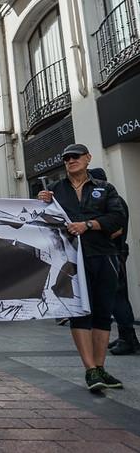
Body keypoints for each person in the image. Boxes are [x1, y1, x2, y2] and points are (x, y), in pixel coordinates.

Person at [38, 144, 127, 391]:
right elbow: (43, 222)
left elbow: (117, 218)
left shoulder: (105, 188)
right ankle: (89, 369)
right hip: (72, 260)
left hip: (104, 256)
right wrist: (41, 203)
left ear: (88, 158)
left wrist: (88, 224)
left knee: (103, 313)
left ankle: (100, 368)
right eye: (66, 158)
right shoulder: (55, 191)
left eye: (75, 156)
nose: (70, 160)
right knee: (79, 312)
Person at [89, 169, 138, 356]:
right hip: (112, 252)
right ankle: (126, 335)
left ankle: (128, 339)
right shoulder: (111, 202)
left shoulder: (112, 202)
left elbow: (115, 229)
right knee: (116, 297)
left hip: (114, 253)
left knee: (117, 297)